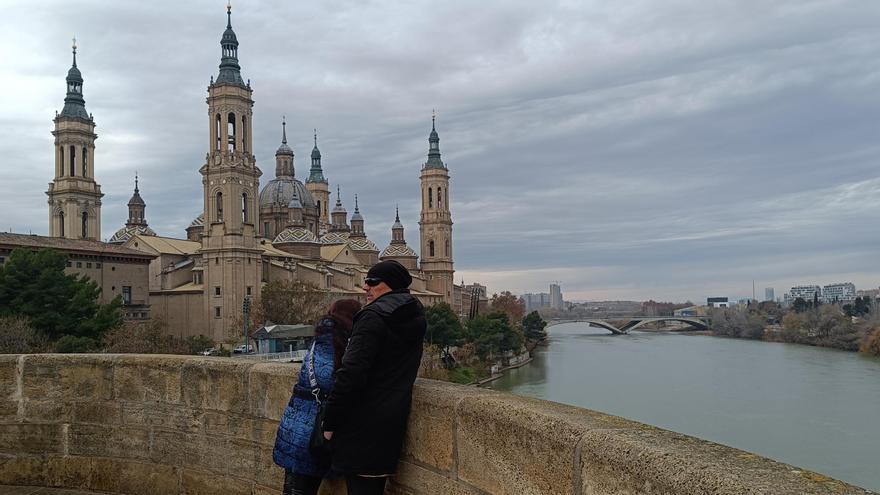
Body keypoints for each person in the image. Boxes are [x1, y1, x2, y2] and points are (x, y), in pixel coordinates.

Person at [321, 260, 428, 495]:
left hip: (361, 421)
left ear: (389, 285)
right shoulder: (414, 313)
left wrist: (330, 422)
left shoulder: (372, 317)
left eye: (371, 282)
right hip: (391, 417)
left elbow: (351, 374)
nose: (365, 287)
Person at [272, 298, 363, 495]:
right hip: (313, 429)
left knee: (294, 486)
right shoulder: (339, 345)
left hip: (295, 424)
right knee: (299, 488)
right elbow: (333, 383)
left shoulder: (319, 340)